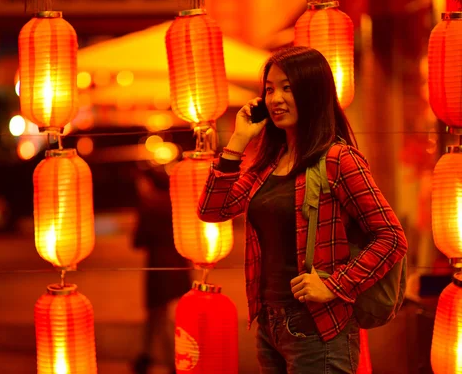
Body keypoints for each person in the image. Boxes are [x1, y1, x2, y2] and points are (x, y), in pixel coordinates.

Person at [197, 46, 407, 374]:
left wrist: (336, 284)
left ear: (312, 91)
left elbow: (392, 238)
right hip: (270, 324)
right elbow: (212, 210)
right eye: (269, 89)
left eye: (288, 88)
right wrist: (238, 141)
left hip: (317, 328)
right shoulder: (266, 163)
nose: (275, 98)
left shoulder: (338, 159)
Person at [131, 165, 191, 374]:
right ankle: (146, 356)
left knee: (159, 315)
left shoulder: (148, 205)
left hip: (157, 267)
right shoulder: (176, 202)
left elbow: (137, 241)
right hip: (179, 266)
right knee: (160, 315)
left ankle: (169, 362)